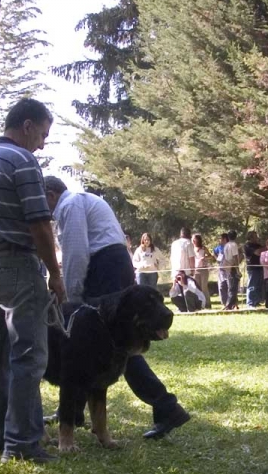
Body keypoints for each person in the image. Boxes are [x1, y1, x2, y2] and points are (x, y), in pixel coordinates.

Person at [44, 176, 190, 439]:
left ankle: (165, 405)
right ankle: (73, 410)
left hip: (104, 267)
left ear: (51, 194)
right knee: (112, 341)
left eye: (41, 200)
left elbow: (76, 254)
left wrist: (71, 298)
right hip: (114, 262)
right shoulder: (85, 201)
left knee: (112, 342)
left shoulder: (70, 204)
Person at [0, 98, 64, 464]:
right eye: (42, 134)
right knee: (29, 354)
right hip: (17, 265)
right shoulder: (23, 161)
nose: (42, 143)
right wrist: (55, 275)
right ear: (26, 126)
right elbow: (40, 223)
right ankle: (22, 444)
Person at [244, 231, 264, 308]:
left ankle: (256, 301)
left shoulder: (258, 245)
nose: (257, 237)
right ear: (251, 237)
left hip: (259, 267)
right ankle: (250, 302)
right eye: (255, 236)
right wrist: (266, 247)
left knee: (258, 285)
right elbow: (257, 252)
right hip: (252, 268)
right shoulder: (247, 246)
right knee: (252, 285)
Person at [192, 233, 213, 309]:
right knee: (197, 287)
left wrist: (204, 258)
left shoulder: (203, 248)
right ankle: (199, 304)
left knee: (204, 287)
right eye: (192, 239)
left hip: (203, 269)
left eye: (195, 239)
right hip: (195, 270)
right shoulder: (191, 248)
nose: (193, 240)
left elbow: (210, 256)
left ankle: (207, 304)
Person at [222, 230, 241, 310]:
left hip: (227, 266)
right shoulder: (233, 245)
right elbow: (235, 257)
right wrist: (237, 269)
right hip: (232, 267)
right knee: (233, 287)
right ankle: (228, 305)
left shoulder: (226, 245)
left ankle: (234, 304)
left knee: (231, 286)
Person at [214, 233, 229, 307]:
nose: (220, 240)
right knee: (221, 286)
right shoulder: (219, 247)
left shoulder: (230, 246)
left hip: (229, 269)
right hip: (221, 269)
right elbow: (214, 252)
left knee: (229, 285)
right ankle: (223, 302)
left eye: (221, 238)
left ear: (225, 239)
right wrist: (217, 258)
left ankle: (231, 302)